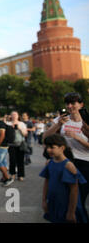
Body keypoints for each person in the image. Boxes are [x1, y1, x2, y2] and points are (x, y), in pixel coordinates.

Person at [43, 92, 89, 220]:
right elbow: (45, 138)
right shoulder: (61, 120)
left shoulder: (86, 121)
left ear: (81, 105)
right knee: (64, 198)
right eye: (67, 103)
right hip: (64, 162)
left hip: (84, 163)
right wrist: (58, 125)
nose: (69, 106)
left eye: (73, 103)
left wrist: (77, 137)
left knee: (78, 200)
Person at [40, 134, 87, 223]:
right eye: (47, 147)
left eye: (52, 147)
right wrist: (44, 201)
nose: (48, 150)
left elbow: (74, 190)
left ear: (62, 148)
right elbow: (46, 182)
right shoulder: (49, 162)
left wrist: (71, 212)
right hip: (54, 203)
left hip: (66, 205)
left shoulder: (69, 166)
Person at [0, 110, 14, 187]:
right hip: (1, 146)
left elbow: (2, 135)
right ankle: (4, 177)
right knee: (2, 162)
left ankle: (8, 178)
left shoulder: (0, 123)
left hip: (1, 146)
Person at [7, 111, 28, 181]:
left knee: (20, 160)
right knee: (12, 160)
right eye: (12, 114)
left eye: (15, 114)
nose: (14, 116)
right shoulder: (8, 124)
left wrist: (19, 128)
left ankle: (20, 175)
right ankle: (12, 174)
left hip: (20, 144)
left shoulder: (22, 124)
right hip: (11, 144)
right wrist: (11, 128)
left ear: (18, 116)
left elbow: (25, 134)